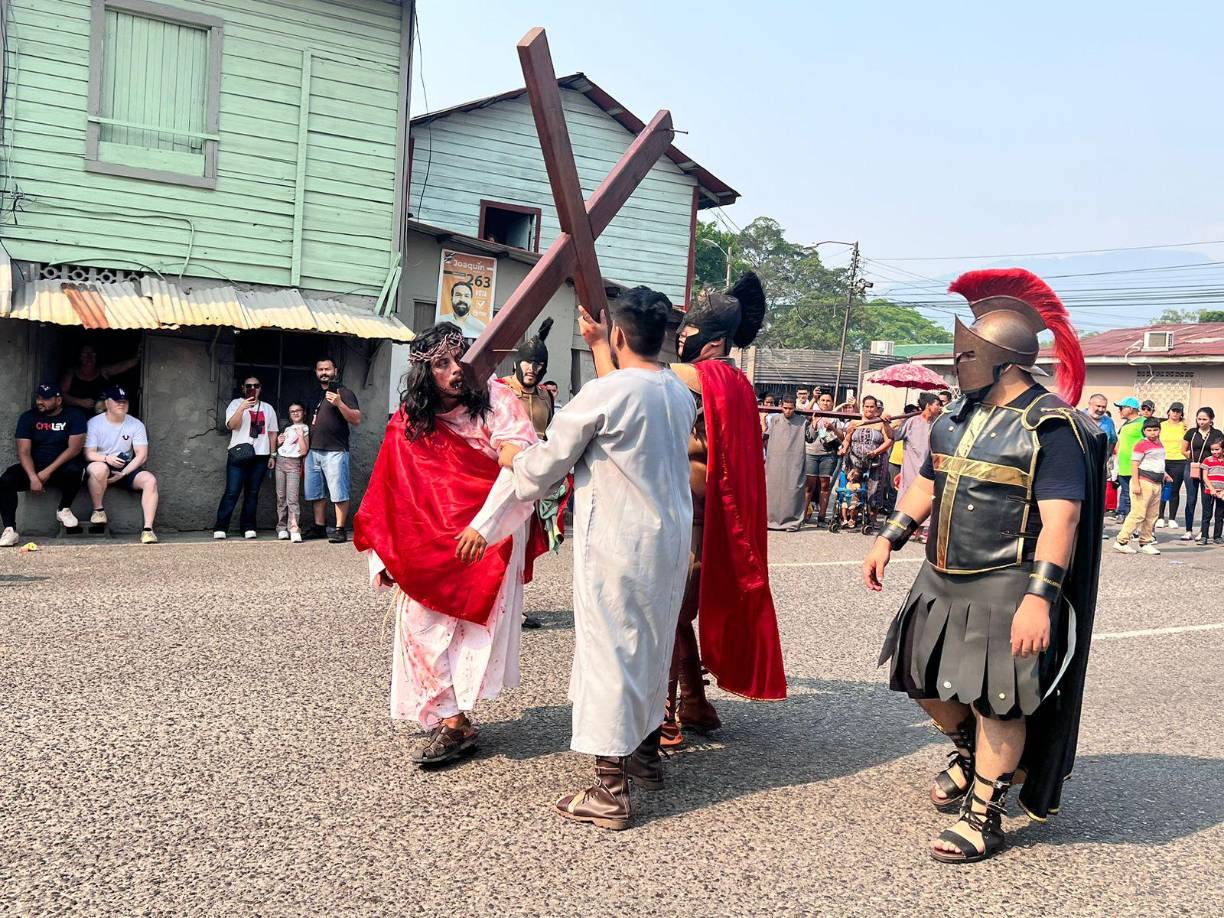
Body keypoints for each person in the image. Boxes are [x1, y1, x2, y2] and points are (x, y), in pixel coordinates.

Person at [867, 268, 1103, 863]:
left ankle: (985, 813)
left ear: (1005, 361)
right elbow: (927, 482)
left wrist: (1038, 600)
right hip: (939, 577)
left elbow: (1061, 522)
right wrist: (889, 539)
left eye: (966, 356)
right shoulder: (953, 416)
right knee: (918, 678)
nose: (956, 367)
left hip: (1008, 585)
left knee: (998, 698)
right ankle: (974, 754)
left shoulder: (1051, 429)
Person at [501, 287, 696, 831]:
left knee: (610, 652)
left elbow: (544, 467)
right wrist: (598, 345)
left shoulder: (602, 393)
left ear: (618, 335)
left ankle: (610, 789)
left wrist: (514, 454)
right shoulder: (679, 393)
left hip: (617, 538)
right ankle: (645, 755)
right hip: (668, 537)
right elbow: (624, 390)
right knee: (652, 646)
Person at [352, 323, 545, 767]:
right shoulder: (410, 420)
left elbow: (520, 461)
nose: (456, 370)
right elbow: (389, 490)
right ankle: (451, 719)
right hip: (430, 542)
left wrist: (485, 525)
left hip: (488, 535)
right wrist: (385, 554)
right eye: (442, 364)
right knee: (420, 626)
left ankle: (455, 720)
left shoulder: (498, 400)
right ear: (425, 373)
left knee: (473, 629)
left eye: (461, 358)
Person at [664, 272, 786, 746]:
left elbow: (639, 378)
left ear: (714, 343)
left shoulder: (703, 377)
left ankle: (668, 713)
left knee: (670, 610)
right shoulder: (734, 382)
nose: (680, 338)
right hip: (701, 517)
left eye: (688, 332)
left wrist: (605, 344)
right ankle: (696, 703)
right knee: (677, 613)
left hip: (695, 521)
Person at [498, 318, 564, 630]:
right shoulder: (499, 391)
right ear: (517, 361)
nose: (532, 368)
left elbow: (550, 435)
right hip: (503, 476)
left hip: (535, 480)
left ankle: (516, 607)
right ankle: (495, 602)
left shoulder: (546, 396)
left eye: (539, 364)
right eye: (528, 361)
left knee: (524, 545)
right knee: (501, 541)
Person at [0, 384, 86, 547]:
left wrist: (46, 472)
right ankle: (10, 529)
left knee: (77, 470)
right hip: (34, 467)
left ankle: (63, 509)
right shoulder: (28, 417)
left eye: (45, 398)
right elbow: (23, 451)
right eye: (38, 397)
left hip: (62, 467)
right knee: (6, 480)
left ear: (58, 400)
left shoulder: (74, 416)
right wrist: (33, 477)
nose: (40, 401)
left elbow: (74, 449)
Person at [83, 386, 159, 544]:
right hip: (102, 464)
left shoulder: (135, 424)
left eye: (124, 402)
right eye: (117, 401)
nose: (121, 405)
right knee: (99, 468)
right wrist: (106, 459)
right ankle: (98, 511)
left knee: (149, 480)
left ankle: (148, 530)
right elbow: (88, 453)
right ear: (107, 403)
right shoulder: (94, 423)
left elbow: (142, 455)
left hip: (125, 467)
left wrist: (124, 473)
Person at [212, 377, 278, 541]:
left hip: (260, 456)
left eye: (256, 385)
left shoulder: (268, 408)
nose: (252, 388)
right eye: (249, 386)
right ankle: (221, 526)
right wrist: (242, 408)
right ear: (243, 388)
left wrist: (272, 454)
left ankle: (248, 526)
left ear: (260, 388)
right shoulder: (235, 404)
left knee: (253, 493)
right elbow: (232, 426)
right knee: (232, 491)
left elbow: (272, 433)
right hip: (238, 454)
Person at [304, 358, 362, 543]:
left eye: (327, 369)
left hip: (336, 450)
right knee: (317, 493)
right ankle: (319, 527)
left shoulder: (344, 392)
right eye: (320, 369)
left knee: (339, 492)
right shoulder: (313, 395)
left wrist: (339, 403)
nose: (324, 372)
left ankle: (340, 528)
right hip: (313, 451)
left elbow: (356, 419)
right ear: (316, 372)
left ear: (335, 371)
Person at [1113, 417, 1166, 555]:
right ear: (1144, 431)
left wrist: (1164, 474)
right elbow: (1135, 464)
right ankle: (1121, 541)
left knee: (1152, 515)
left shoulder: (1159, 443)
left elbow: (1158, 461)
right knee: (1138, 513)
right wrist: (1136, 483)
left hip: (1157, 482)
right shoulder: (1141, 444)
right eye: (1149, 430)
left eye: (1156, 429)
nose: (1153, 433)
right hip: (1144, 481)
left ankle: (1145, 542)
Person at [840, 395, 893, 531]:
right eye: (867, 406)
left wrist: (876, 452)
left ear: (876, 408)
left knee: (874, 490)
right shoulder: (855, 422)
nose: (869, 409)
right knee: (855, 488)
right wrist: (844, 448)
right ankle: (853, 517)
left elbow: (889, 440)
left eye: (872, 406)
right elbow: (847, 439)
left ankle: (872, 518)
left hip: (876, 461)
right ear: (863, 407)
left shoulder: (881, 422)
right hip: (855, 461)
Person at [894, 392, 941, 541]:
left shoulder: (937, 423)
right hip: (911, 467)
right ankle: (906, 530)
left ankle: (921, 531)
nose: (940, 407)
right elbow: (894, 436)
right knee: (909, 495)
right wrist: (884, 422)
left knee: (929, 497)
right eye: (937, 404)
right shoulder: (911, 422)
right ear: (928, 406)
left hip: (929, 468)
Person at [1180, 407, 1224, 541]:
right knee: (1191, 499)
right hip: (1192, 467)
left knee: (1207, 501)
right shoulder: (1192, 432)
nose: (1201, 422)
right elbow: (1183, 449)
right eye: (1199, 419)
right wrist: (1195, 459)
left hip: (1210, 470)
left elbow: (1220, 449)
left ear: (1211, 420)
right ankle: (1188, 530)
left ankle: (1203, 531)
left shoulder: (1217, 433)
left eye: (1205, 419)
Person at [765, 395, 807, 531]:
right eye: (785, 408)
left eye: (791, 408)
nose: (788, 411)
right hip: (775, 460)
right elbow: (765, 435)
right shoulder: (774, 420)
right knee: (773, 489)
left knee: (793, 489)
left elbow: (811, 438)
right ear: (781, 406)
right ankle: (770, 520)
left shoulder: (802, 421)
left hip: (794, 459)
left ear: (795, 407)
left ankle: (792, 522)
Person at [60, 344, 141, 414]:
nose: (89, 357)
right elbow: (60, 395)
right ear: (79, 357)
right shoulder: (71, 373)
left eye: (92, 354)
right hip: (77, 418)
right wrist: (80, 402)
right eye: (84, 354)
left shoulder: (103, 371)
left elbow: (121, 366)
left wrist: (138, 357)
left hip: (102, 418)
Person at [804, 391, 843, 524]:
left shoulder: (835, 418)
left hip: (828, 455)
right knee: (809, 485)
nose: (825, 403)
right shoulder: (813, 415)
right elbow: (804, 412)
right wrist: (813, 400)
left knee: (825, 485)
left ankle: (822, 516)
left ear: (832, 403)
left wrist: (832, 428)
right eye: (823, 400)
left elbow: (842, 437)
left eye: (828, 401)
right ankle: (803, 515)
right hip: (811, 453)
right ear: (818, 402)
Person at [275, 402, 310, 542]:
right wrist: (278, 442)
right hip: (280, 461)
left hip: (293, 464)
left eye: (298, 410)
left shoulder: (305, 428)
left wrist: (301, 435)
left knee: (292, 498)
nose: (295, 413)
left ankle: (294, 528)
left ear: (304, 412)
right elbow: (283, 446)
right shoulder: (287, 428)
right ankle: (281, 527)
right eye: (292, 411)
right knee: (280, 497)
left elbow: (303, 450)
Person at [1157, 402, 1187, 529]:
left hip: (1179, 460)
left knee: (1174, 489)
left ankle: (1172, 518)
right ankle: (1160, 517)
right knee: (1163, 488)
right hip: (1163, 459)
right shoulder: (1161, 425)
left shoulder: (1184, 426)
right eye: (1173, 411)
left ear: (1181, 414)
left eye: (1178, 411)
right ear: (1168, 411)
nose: (1175, 413)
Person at [1113, 397, 1143, 520]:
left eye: (1121, 408)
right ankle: (1123, 513)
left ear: (1130, 409)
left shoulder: (1142, 423)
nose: (1119, 411)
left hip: (1136, 467)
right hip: (1123, 466)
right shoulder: (1126, 424)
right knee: (1125, 492)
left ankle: (1133, 519)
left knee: (1134, 495)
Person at [1198, 439, 1224, 545]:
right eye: (1212, 450)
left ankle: (1217, 536)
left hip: (1222, 493)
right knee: (1206, 514)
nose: (1214, 452)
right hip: (1209, 491)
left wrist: (1222, 491)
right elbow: (1204, 477)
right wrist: (1212, 489)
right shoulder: (1207, 460)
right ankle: (1204, 536)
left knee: (1220, 515)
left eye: (1217, 449)